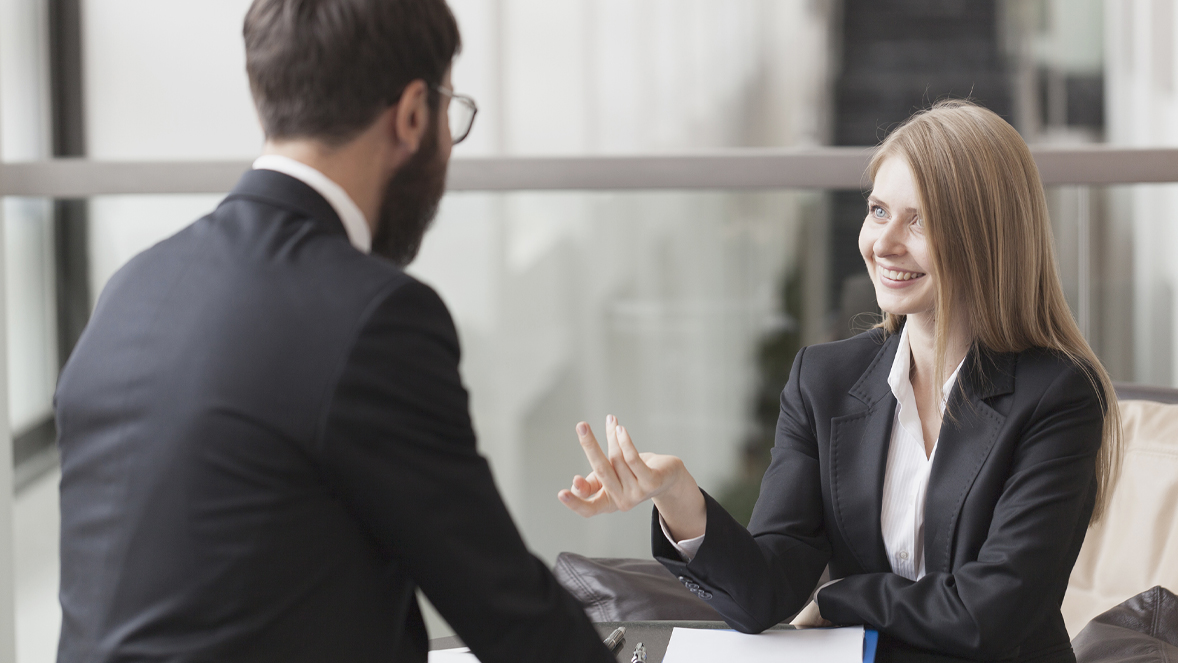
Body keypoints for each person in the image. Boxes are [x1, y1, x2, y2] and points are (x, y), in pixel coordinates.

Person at [54, 1, 614, 662]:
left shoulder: (133, 289)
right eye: (449, 115)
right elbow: (511, 616)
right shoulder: (374, 317)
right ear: (411, 114)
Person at [558, 100, 1122, 663]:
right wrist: (679, 497)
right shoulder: (823, 381)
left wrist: (840, 598)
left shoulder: (1059, 397)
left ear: (986, 237)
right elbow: (764, 594)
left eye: (920, 219)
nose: (885, 243)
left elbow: (989, 615)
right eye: (879, 211)